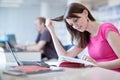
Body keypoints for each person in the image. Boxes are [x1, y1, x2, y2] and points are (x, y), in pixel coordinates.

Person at [46, 3, 120, 72]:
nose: (75, 26)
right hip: (99, 74)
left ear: (85, 13)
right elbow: (64, 56)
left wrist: (96, 65)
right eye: (72, 25)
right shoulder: (86, 35)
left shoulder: (106, 29)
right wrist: (52, 31)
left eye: (76, 20)